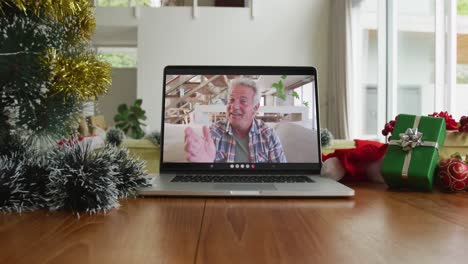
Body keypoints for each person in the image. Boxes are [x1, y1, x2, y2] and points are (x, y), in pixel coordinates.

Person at [184, 78, 287, 163]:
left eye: (243, 101)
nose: (234, 106)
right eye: (231, 100)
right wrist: (204, 165)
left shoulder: (269, 135)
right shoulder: (214, 133)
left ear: (255, 108)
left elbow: (281, 175)